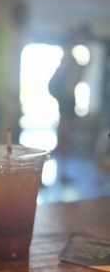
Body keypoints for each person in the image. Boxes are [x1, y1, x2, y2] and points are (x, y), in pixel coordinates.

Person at [49, 26, 91, 182]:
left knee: (64, 139)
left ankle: (61, 172)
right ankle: (61, 173)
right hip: (67, 99)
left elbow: (76, 80)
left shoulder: (72, 60)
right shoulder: (69, 59)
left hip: (68, 99)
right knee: (63, 139)